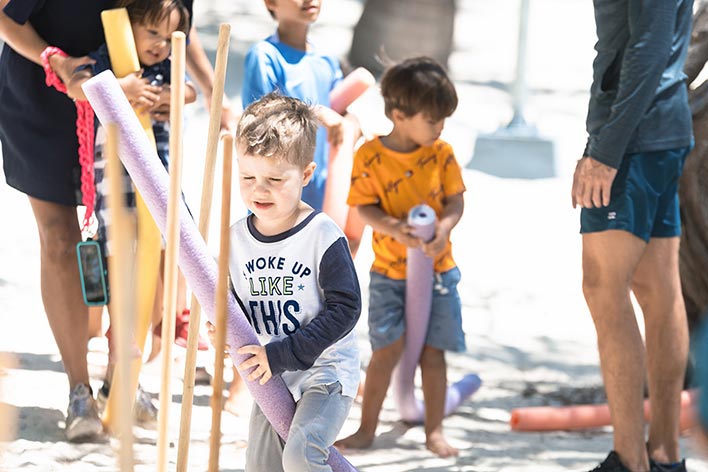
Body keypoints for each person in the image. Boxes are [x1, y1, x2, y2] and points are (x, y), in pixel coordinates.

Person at [207, 92, 361, 471]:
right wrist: (222, 329)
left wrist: (281, 355)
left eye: (275, 179)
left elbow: (346, 309)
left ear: (306, 174)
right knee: (260, 466)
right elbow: (237, 303)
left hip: (324, 373)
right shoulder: (235, 238)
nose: (259, 189)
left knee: (301, 456)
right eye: (248, 176)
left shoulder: (322, 234)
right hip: (273, 377)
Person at [571, 1, 694, 471]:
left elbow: (648, 47)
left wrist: (604, 150)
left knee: (603, 285)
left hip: (636, 137)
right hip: (659, 128)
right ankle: (663, 458)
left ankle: (631, 461)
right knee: (658, 287)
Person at [66, 0, 196, 425]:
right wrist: (122, 87)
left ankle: (132, 372)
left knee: (159, 265)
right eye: (152, 34)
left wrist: (170, 95)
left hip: (157, 181)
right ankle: (114, 373)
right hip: (116, 182)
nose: (159, 46)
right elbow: (82, 83)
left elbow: (191, 89)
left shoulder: (165, 68)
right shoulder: (111, 57)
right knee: (118, 265)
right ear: (130, 27)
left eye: (168, 36)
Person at [334, 56, 465, 458]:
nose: (440, 127)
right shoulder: (371, 156)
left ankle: (434, 431)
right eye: (433, 118)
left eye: (444, 118)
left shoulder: (441, 154)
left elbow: (456, 201)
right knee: (387, 350)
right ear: (399, 114)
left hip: (438, 271)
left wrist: (443, 229)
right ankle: (366, 428)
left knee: (432, 351)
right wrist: (393, 229)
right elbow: (363, 206)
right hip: (390, 272)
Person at [0, 0, 118, 442]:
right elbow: (6, 16)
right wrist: (60, 63)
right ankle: (79, 390)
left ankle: (122, 381)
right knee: (57, 238)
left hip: (123, 91)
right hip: (38, 90)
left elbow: (169, 21)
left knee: (126, 241)